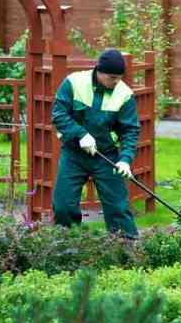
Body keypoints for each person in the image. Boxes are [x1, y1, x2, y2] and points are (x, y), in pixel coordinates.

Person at [51, 49, 140, 238]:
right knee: (63, 206)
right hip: (73, 154)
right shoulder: (74, 83)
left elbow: (130, 131)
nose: (116, 81)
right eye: (113, 77)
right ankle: (68, 245)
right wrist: (80, 134)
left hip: (106, 156)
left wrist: (125, 159)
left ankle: (127, 250)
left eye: (119, 77)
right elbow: (58, 114)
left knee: (118, 207)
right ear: (99, 71)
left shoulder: (124, 94)